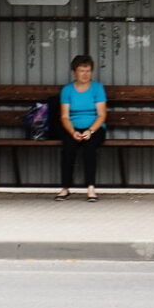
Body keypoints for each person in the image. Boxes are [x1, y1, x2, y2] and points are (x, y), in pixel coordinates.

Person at [55, 54, 107, 201]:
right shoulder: (67, 90)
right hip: (73, 127)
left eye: (88, 71)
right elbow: (64, 116)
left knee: (89, 148)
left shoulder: (97, 88)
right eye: (82, 71)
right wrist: (72, 132)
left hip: (95, 128)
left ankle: (91, 188)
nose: (85, 74)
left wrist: (90, 131)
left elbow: (101, 115)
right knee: (68, 149)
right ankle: (65, 188)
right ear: (74, 72)